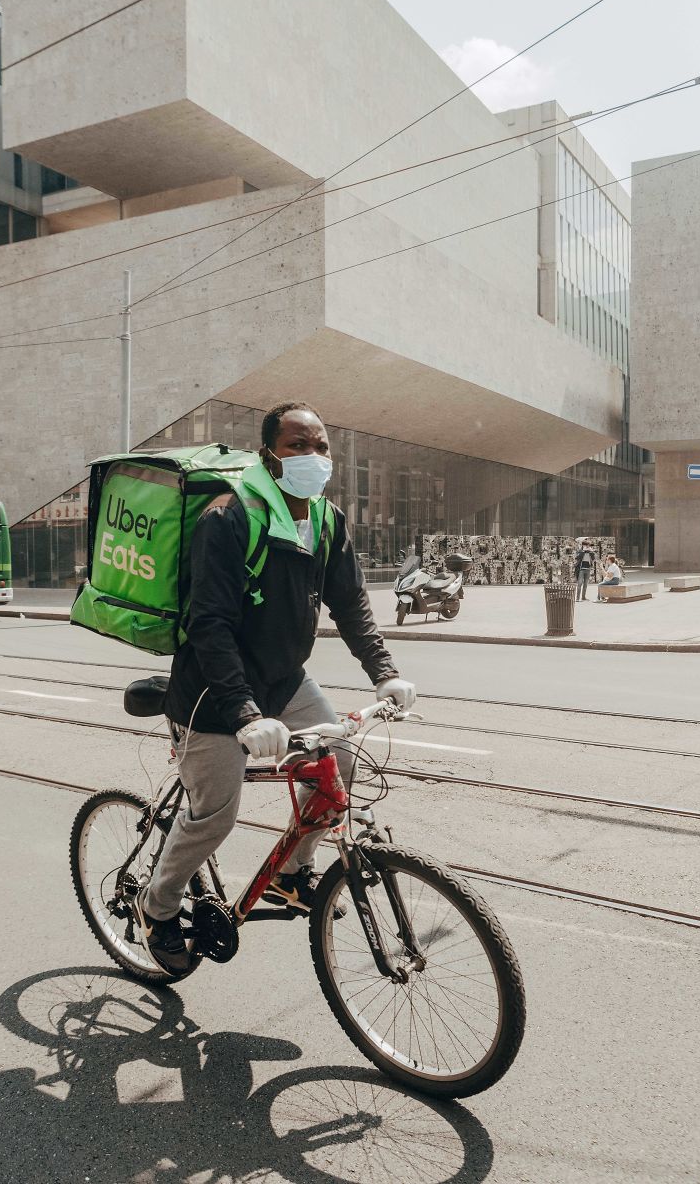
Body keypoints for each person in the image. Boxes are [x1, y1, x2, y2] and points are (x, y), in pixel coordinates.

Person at [135, 401, 415, 974]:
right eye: (297, 445)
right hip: (213, 694)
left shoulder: (327, 520)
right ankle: (156, 906)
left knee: (341, 764)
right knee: (215, 812)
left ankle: (292, 875)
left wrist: (384, 672)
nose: (313, 457)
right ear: (269, 453)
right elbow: (209, 624)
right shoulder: (228, 517)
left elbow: (352, 606)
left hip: (284, 681)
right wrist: (243, 713)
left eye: (321, 446)